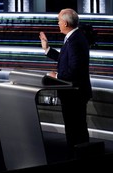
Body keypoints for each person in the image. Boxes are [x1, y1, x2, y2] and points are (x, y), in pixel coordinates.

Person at [39, 8, 92, 151]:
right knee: (74, 130)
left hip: (75, 94)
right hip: (71, 93)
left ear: (66, 23)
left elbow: (74, 70)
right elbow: (65, 60)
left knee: (76, 131)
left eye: (59, 21)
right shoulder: (73, 37)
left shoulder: (75, 40)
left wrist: (56, 76)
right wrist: (47, 49)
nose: (58, 23)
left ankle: (78, 156)